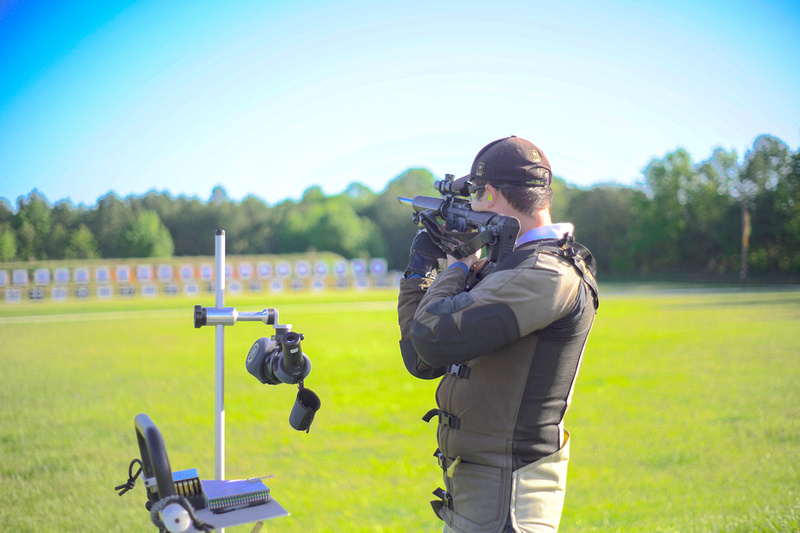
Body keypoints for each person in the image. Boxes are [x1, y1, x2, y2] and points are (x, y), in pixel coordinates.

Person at [397, 136, 599, 533]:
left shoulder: (545, 272)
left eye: (474, 195)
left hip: (508, 503)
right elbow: (421, 359)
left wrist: (455, 268)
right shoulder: (507, 266)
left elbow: (430, 334)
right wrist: (420, 273)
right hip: (478, 497)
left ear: (488, 194)